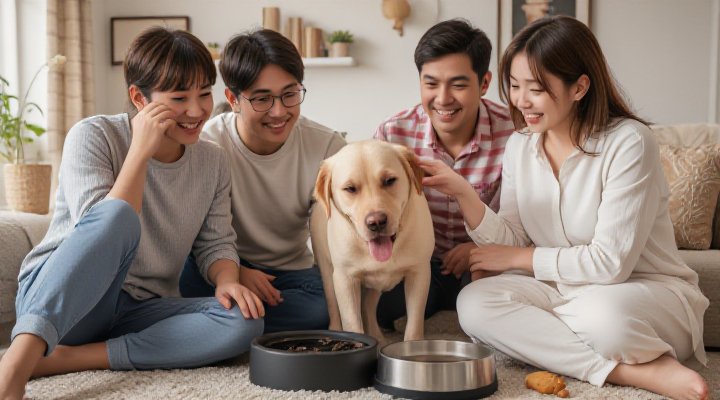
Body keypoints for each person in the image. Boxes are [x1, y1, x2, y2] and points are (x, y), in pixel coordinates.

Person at [420, 16, 709, 400]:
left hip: (641, 293)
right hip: (559, 290)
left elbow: (610, 265)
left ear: (580, 87)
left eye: (536, 89)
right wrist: (464, 195)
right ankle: (624, 370)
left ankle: (560, 343)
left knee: (601, 317)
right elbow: (513, 235)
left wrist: (519, 260)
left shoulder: (630, 143)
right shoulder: (521, 144)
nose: (521, 102)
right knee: (473, 303)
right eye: (515, 86)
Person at [0, 27, 265, 400]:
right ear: (139, 98)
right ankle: (17, 362)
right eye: (178, 97)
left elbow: (216, 243)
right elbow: (99, 231)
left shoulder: (213, 161)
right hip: (67, 303)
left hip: (140, 309)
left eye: (204, 93)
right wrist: (141, 150)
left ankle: (63, 360)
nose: (196, 111)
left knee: (244, 322)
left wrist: (226, 280)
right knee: (118, 216)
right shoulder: (93, 136)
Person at [179, 29, 346, 333]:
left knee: (320, 308)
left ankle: (216, 320)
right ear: (233, 99)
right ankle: (228, 317)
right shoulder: (207, 143)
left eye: (290, 94)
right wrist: (236, 273)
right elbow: (190, 233)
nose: (279, 111)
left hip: (289, 273)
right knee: (179, 277)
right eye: (262, 99)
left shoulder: (327, 147)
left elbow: (341, 231)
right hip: (217, 265)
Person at [373, 19, 515, 329]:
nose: (443, 98)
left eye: (459, 84)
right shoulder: (393, 134)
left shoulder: (515, 134)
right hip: (418, 261)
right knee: (380, 307)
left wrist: (480, 249)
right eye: (431, 83)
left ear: (485, 82)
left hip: (488, 261)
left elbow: (526, 222)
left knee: (490, 311)